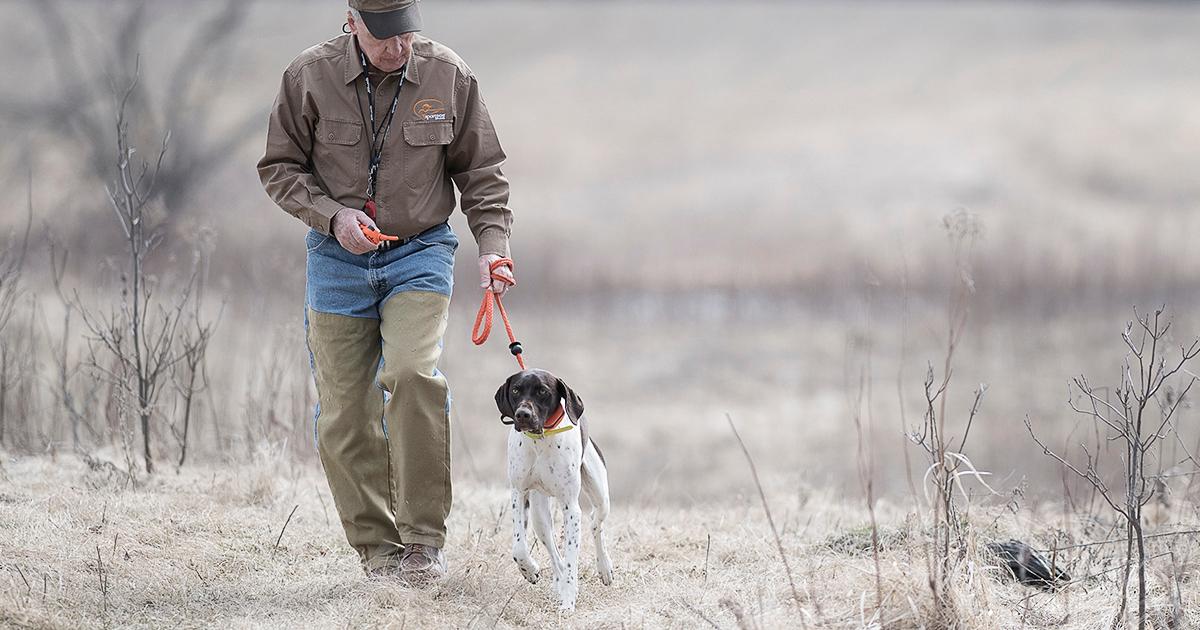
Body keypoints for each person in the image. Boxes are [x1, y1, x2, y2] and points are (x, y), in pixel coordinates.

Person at [257, 0, 515, 585]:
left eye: (406, 34)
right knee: (345, 414)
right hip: (336, 260)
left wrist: (493, 245)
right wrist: (330, 217)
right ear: (352, 22)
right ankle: (379, 552)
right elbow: (279, 167)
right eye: (383, 37)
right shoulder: (307, 77)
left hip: (420, 253)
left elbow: (482, 172)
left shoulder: (449, 75)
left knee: (412, 375)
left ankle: (423, 542)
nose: (398, 48)